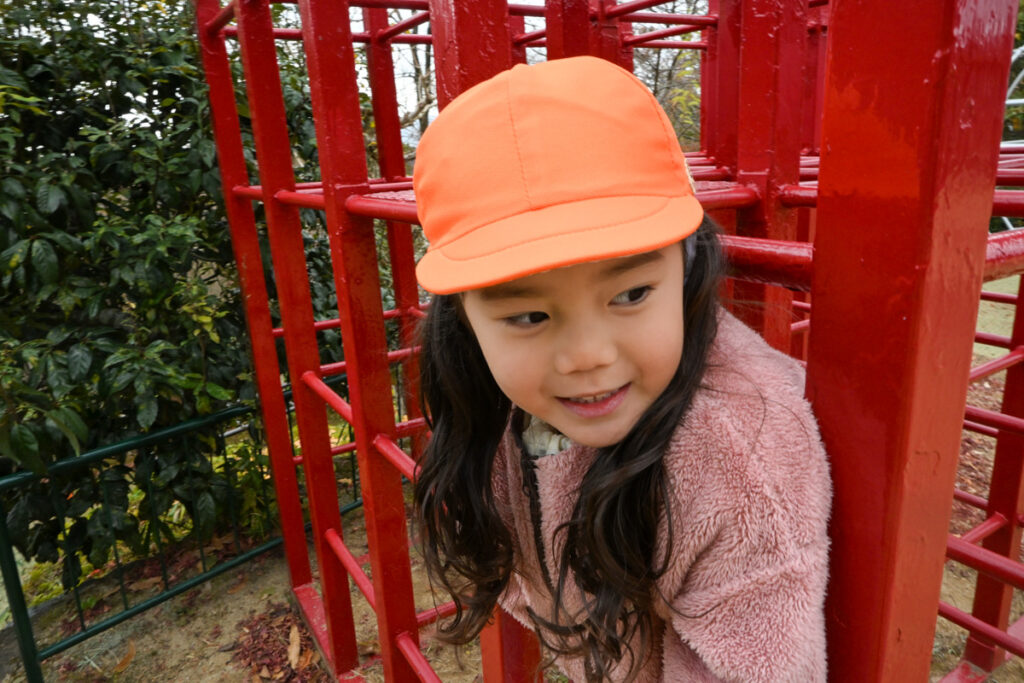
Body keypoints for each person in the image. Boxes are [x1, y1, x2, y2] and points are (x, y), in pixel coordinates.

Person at [411, 56, 831, 682]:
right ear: (464, 321)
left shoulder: (740, 464)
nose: (589, 356)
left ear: (687, 268)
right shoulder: (490, 409)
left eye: (631, 294)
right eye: (527, 316)